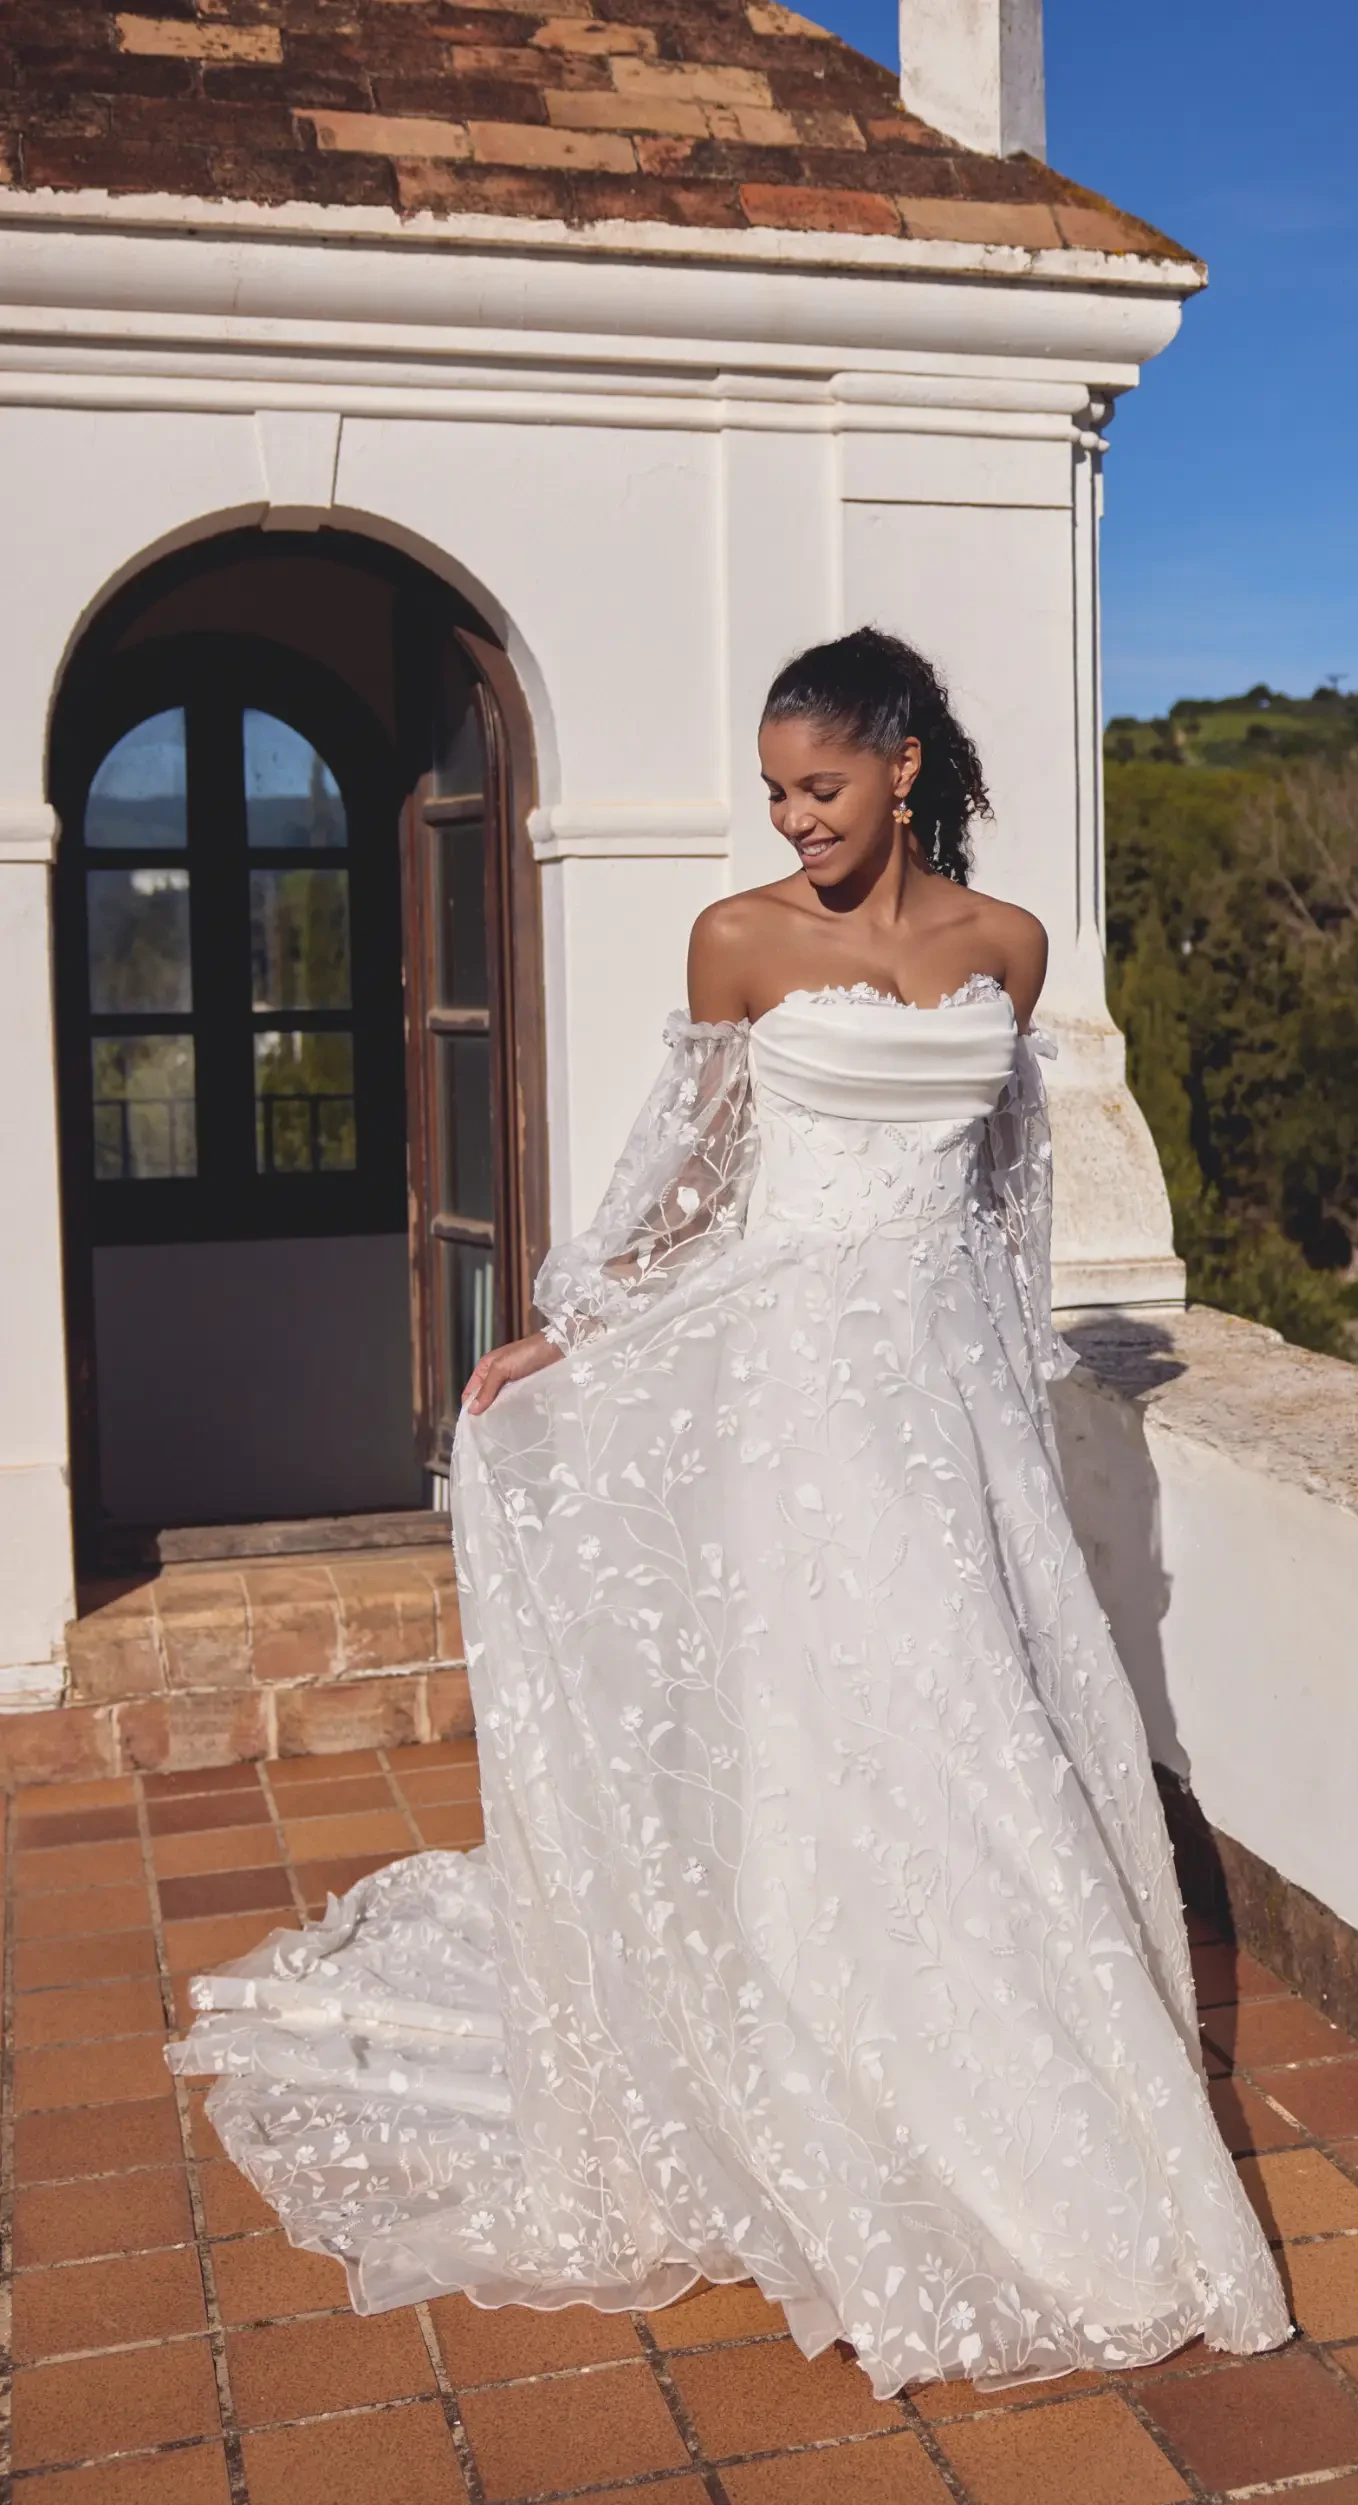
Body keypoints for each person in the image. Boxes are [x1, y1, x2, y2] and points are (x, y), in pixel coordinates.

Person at [170, 629, 1289, 2395]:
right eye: (775, 791)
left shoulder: (1008, 945)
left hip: (942, 1405)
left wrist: (1002, 1393)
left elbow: (1009, 1195)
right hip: (788, 1391)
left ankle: (996, 2088)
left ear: (905, 766)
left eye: (821, 788)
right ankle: (801, 2074)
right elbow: (690, 1175)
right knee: (818, 1729)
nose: (795, 820)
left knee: (968, 1736)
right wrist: (574, 1324)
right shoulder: (741, 942)